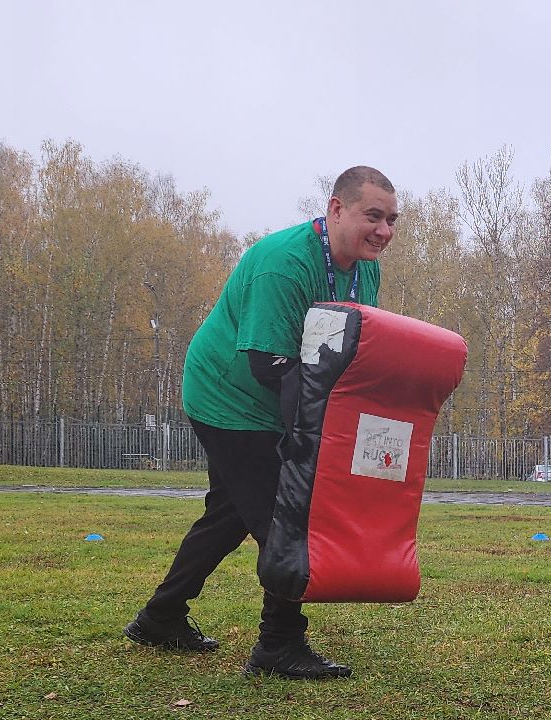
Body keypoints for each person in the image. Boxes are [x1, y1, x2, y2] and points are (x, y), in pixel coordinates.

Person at [125, 166, 399, 679]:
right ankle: (278, 645)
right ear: (336, 209)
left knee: (229, 512)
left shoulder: (366, 268)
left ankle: (160, 617)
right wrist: (314, 434)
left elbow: (354, 348)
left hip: (280, 398)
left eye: (391, 220)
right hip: (228, 396)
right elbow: (266, 364)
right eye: (373, 216)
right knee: (283, 516)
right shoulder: (283, 263)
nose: (383, 230)